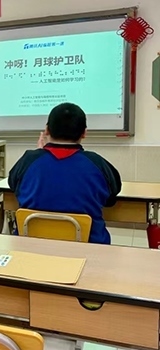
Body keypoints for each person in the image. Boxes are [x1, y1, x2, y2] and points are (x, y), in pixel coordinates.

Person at [8, 102, 122, 244]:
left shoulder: (28, 161)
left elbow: (13, 185)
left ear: (47, 130)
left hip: (31, 247)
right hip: (89, 249)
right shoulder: (97, 163)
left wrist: (37, 154)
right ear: (84, 133)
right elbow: (111, 196)